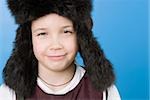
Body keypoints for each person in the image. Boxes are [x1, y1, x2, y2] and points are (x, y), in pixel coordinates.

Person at [0, 0, 121, 100]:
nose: (55, 45)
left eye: (66, 32)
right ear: (28, 39)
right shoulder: (11, 93)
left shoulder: (103, 92)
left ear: (81, 36)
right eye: (42, 33)